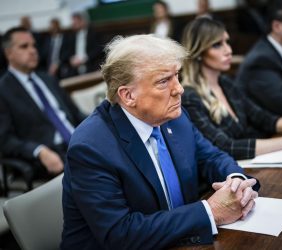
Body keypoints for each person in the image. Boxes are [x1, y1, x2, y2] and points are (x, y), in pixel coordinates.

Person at [61, 34, 260, 249]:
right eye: (163, 81)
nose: (179, 89)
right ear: (128, 96)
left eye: (177, 75)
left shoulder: (173, 117)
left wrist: (237, 182)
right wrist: (210, 211)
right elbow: (121, 234)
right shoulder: (91, 147)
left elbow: (212, 157)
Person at [181, 17, 282, 160]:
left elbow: (262, 118)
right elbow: (226, 147)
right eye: (217, 45)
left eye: (227, 42)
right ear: (199, 53)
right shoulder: (189, 96)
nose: (228, 50)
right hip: (228, 178)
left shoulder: (225, 83)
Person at [0, 27, 85, 176]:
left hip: (80, 142)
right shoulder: (3, 90)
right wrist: (38, 151)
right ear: (8, 53)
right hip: (51, 154)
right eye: (24, 46)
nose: (33, 50)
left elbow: (75, 114)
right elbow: (5, 140)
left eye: (33, 45)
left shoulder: (48, 79)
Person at [60, 12, 101, 78]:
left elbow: (99, 50)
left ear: (83, 21)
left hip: (91, 65)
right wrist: (71, 59)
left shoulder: (94, 33)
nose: (73, 24)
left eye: (76, 22)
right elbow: (65, 53)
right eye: (73, 22)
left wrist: (85, 58)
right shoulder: (71, 36)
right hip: (75, 69)